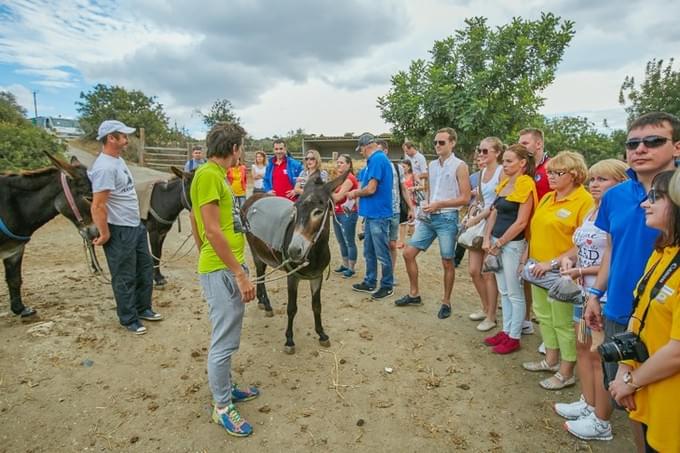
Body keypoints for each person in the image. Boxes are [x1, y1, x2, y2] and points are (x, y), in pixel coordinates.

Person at [585, 112, 680, 451]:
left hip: (668, 320)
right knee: (630, 398)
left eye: (653, 141)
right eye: (632, 143)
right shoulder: (615, 196)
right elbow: (612, 248)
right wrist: (596, 293)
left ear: (676, 147)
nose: (640, 149)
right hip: (622, 309)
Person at [189, 121, 259, 438]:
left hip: (223, 265)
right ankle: (221, 408)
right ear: (234, 148)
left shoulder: (215, 176)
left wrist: (204, 245)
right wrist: (238, 272)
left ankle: (227, 388)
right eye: (241, 146)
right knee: (223, 340)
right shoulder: (207, 175)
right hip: (222, 270)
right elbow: (213, 229)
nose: (241, 152)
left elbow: (195, 219)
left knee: (228, 334)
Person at [552, 159, 628, 441]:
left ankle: (601, 420)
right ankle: (588, 401)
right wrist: (567, 259)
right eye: (593, 179)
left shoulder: (621, 214)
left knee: (599, 356)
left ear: (621, 183)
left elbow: (615, 258)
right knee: (583, 347)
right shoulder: (594, 211)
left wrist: (581, 270)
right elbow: (583, 247)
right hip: (584, 293)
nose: (594, 184)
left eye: (603, 179)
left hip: (604, 295)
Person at [608, 170, 680, 453]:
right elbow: (639, 314)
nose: (644, 204)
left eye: (656, 197)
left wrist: (631, 381)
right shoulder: (662, 251)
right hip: (650, 392)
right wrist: (625, 370)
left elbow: (677, 351)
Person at [522, 151, 594, 389]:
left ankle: (566, 371)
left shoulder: (584, 202)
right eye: (550, 171)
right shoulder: (548, 198)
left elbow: (582, 242)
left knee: (562, 322)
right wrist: (529, 257)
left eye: (557, 172)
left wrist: (552, 263)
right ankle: (551, 360)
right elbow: (535, 230)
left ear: (574, 175)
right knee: (544, 316)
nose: (550, 176)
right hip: (538, 267)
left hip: (562, 272)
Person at [88, 120, 161, 335]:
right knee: (124, 274)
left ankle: (143, 308)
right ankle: (128, 318)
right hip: (119, 229)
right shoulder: (104, 167)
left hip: (134, 225)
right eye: (124, 136)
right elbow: (98, 205)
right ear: (112, 138)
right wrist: (104, 232)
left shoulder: (117, 160)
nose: (127, 140)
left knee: (144, 268)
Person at [395, 127, 471, 319]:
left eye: (442, 142)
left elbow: (465, 198)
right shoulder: (433, 165)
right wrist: (425, 207)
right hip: (429, 217)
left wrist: (440, 204)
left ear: (452, 143)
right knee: (408, 253)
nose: (437, 145)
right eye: (436, 142)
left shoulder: (460, 166)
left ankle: (446, 301)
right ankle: (414, 294)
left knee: (447, 261)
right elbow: (430, 189)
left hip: (447, 218)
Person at [482, 144, 537, 353]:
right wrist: (487, 237)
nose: (504, 165)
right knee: (504, 290)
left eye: (509, 161)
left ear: (522, 163)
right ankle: (506, 331)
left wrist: (499, 242)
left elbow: (522, 222)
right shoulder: (505, 182)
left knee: (514, 292)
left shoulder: (525, 184)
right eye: (503, 161)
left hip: (512, 244)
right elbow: (494, 211)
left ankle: (514, 335)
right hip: (498, 241)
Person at [347, 133, 394, 300]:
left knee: (381, 252)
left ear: (366, 146)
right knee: (369, 251)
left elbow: (371, 189)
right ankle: (370, 281)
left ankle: (387, 285)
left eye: (360, 149)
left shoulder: (377, 159)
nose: (360, 152)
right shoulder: (375, 160)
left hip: (378, 214)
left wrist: (354, 193)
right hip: (372, 214)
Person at [467, 137, 504, 332]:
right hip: (479, 224)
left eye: (485, 151)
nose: (481, 154)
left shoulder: (501, 172)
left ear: (497, 153)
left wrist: (477, 217)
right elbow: (481, 200)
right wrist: (472, 214)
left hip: (494, 225)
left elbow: (497, 204)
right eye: (480, 151)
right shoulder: (481, 173)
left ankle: (491, 315)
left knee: (488, 273)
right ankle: (485, 307)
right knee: (474, 270)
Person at [519, 127, 550, 335]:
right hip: (526, 229)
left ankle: (550, 333)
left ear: (538, 144)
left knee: (546, 277)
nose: (522, 147)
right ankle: (526, 318)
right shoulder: (525, 169)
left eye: (525, 143)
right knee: (526, 276)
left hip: (548, 233)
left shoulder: (551, 168)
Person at [377, 139, 414, 279]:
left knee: (392, 244)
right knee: (381, 245)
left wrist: (411, 208)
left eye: (379, 151)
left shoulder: (397, 168)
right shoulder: (373, 167)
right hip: (379, 213)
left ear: (386, 151)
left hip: (394, 212)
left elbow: (404, 189)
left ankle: (389, 275)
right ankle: (382, 273)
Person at [331, 154, 359, 278]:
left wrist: (323, 193)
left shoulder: (349, 178)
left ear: (348, 164)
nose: (338, 164)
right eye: (337, 162)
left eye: (341, 162)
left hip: (348, 213)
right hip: (337, 212)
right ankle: (345, 264)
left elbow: (338, 197)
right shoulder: (339, 178)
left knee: (349, 241)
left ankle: (351, 268)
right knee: (341, 241)